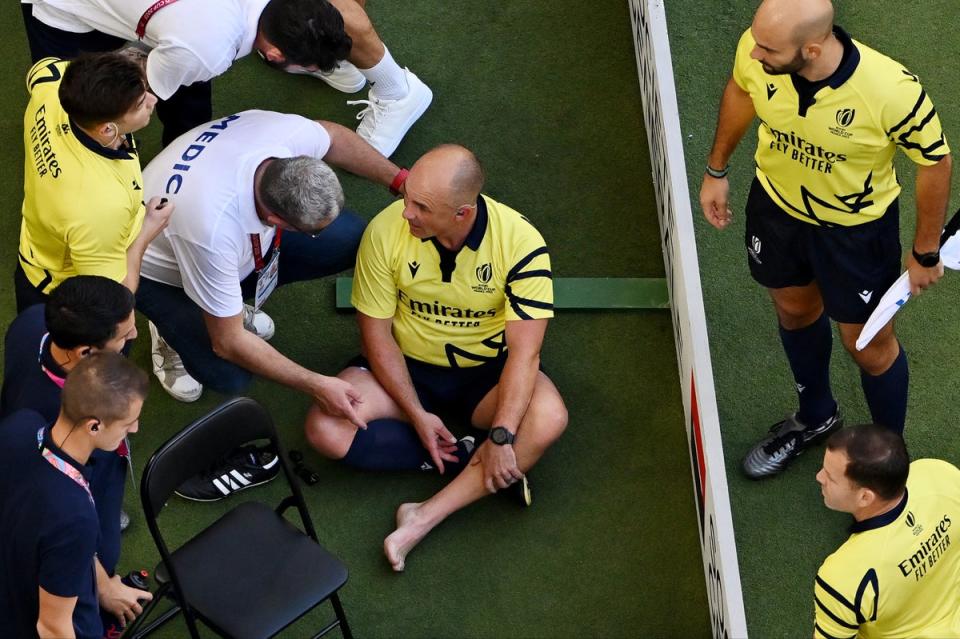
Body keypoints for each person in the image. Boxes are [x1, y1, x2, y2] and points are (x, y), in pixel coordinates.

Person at [698, 0, 952, 478]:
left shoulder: (891, 91)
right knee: (795, 310)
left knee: (867, 345)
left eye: (769, 49)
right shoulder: (757, 53)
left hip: (854, 234)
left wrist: (925, 251)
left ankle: (886, 462)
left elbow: (934, 162)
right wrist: (716, 169)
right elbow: (742, 89)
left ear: (811, 49)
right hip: (776, 210)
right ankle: (815, 417)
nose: (754, 54)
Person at [304, 144, 568, 571]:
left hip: (485, 377)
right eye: (407, 197)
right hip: (405, 369)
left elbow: (526, 352)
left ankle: (423, 515)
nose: (406, 213)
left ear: (461, 214)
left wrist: (500, 435)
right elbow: (377, 336)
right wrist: (415, 412)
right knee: (325, 429)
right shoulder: (386, 231)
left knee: (549, 418)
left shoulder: (522, 244)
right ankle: (471, 460)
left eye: (421, 207)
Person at [137, 109, 401, 405]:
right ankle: (169, 333)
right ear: (276, 219)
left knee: (350, 237)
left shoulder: (287, 137)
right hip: (155, 272)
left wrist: (401, 181)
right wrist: (318, 384)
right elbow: (227, 344)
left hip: (205, 231)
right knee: (228, 373)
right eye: (309, 231)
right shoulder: (212, 231)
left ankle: (226, 305)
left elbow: (333, 136)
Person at [20, 0, 432, 154]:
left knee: (189, 88)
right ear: (273, 53)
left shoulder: (211, 39)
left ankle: (186, 139)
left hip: (177, 24)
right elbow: (141, 95)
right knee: (84, 102)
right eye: (303, 65)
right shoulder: (205, 47)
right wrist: (117, 125)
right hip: (67, 10)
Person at [2, 275, 138, 613]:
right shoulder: (52, 421)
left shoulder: (34, 321)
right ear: (86, 352)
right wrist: (103, 584)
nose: (133, 336)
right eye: (124, 336)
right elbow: (58, 512)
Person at [0, 352, 152, 639]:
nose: (134, 428)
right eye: (128, 422)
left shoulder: (19, 426)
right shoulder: (74, 516)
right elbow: (53, 627)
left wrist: (104, 586)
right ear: (94, 425)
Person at [16, 52, 173, 313]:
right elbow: (116, 294)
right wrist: (148, 229)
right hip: (61, 289)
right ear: (107, 129)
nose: (153, 100)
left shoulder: (53, 82)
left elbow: (40, 70)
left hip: (43, 239)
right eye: (140, 104)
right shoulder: (99, 206)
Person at [813, 424, 960, 637]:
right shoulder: (938, 472)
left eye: (830, 476)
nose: (819, 477)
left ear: (865, 497)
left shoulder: (842, 579)